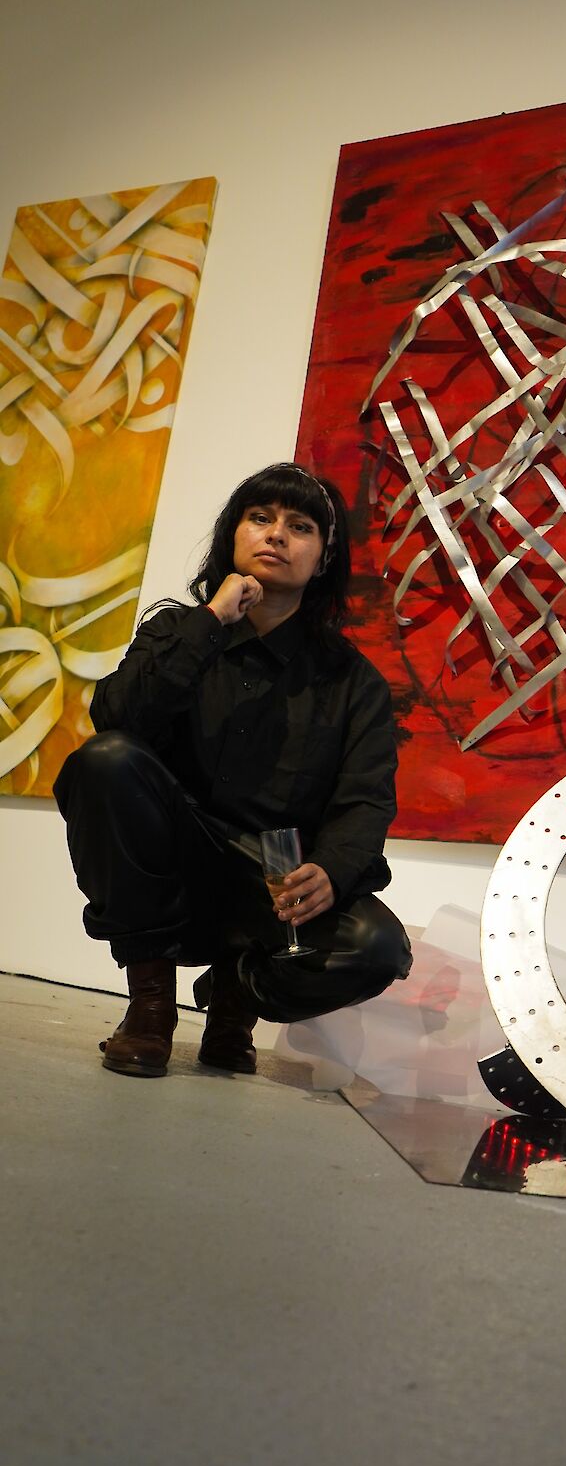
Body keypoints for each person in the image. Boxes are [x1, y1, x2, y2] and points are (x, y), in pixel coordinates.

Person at [54, 462, 412, 1078]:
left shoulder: (354, 682)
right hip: (170, 858)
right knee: (105, 761)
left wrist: (332, 869)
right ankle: (150, 1009)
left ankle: (235, 996)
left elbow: (366, 799)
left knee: (375, 949)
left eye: (300, 526)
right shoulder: (177, 631)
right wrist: (210, 622)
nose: (276, 535)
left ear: (323, 558)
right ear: (233, 536)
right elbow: (118, 718)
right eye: (261, 518)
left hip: (270, 878)